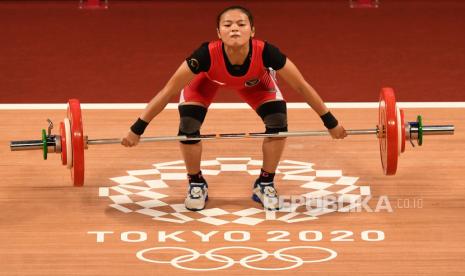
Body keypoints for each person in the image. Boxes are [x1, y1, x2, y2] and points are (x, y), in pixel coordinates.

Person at [121, 5, 347, 211]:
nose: (235, 29)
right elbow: (168, 91)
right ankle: (196, 182)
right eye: (227, 25)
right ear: (219, 33)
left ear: (252, 30)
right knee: (188, 124)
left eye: (241, 24)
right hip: (206, 81)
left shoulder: (267, 52)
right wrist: (137, 129)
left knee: (278, 122)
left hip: (256, 83)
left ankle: (265, 182)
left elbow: (300, 85)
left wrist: (331, 122)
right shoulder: (204, 56)